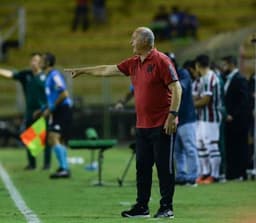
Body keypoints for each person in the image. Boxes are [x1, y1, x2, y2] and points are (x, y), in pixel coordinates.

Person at [65, 27, 182, 218]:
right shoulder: (134, 63)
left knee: (164, 167)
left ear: (145, 41)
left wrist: (172, 115)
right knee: (142, 167)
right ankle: (142, 207)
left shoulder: (161, 60)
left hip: (162, 123)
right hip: (143, 125)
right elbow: (106, 69)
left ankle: (166, 207)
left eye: (133, 39)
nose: (131, 42)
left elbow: (177, 88)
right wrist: (83, 71)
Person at [0, 53, 51, 170]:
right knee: (30, 137)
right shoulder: (26, 75)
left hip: (44, 111)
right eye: (32, 60)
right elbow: (10, 74)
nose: (34, 62)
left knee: (46, 138)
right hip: (30, 111)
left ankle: (46, 164)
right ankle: (32, 164)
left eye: (37, 60)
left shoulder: (46, 76)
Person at [41, 52, 73, 179]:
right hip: (58, 110)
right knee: (55, 139)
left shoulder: (54, 75)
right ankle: (63, 167)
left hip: (62, 109)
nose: (39, 62)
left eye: (42, 60)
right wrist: (44, 109)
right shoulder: (48, 77)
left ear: (48, 62)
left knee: (53, 137)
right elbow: (52, 97)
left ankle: (64, 168)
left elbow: (64, 93)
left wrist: (51, 108)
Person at [219, 55, 250, 180]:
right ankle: (231, 173)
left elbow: (243, 101)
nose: (223, 67)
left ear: (231, 64)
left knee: (239, 147)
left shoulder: (239, 79)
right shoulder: (227, 79)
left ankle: (240, 173)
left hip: (238, 121)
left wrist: (233, 115)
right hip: (229, 120)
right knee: (231, 147)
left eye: (225, 65)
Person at [194, 54, 223, 184]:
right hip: (202, 117)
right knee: (200, 144)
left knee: (211, 145)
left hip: (211, 117)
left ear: (198, 65)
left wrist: (191, 105)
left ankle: (215, 175)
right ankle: (205, 173)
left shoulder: (210, 77)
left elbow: (206, 100)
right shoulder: (204, 78)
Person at [172, 57, 199, 186]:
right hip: (175, 119)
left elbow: (180, 88)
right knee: (177, 150)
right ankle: (181, 175)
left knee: (190, 148)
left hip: (187, 118)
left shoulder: (183, 73)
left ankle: (193, 176)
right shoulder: (168, 75)